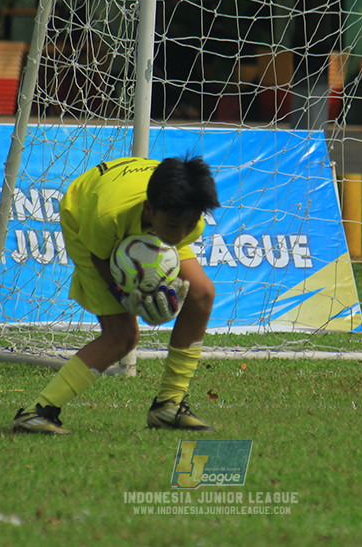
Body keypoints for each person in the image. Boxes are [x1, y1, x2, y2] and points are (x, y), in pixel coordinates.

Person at [12, 155, 220, 435]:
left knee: (202, 293)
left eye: (188, 225)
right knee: (122, 336)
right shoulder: (105, 218)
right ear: (150, 209)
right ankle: (36, 412)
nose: (181, 234)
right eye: (173, 226)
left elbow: (169, 244)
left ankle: (169, 404)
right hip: (85, 220)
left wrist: (163, 289)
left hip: (139, 218)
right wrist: (124, 296)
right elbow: (101, 258)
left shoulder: (185, 222)